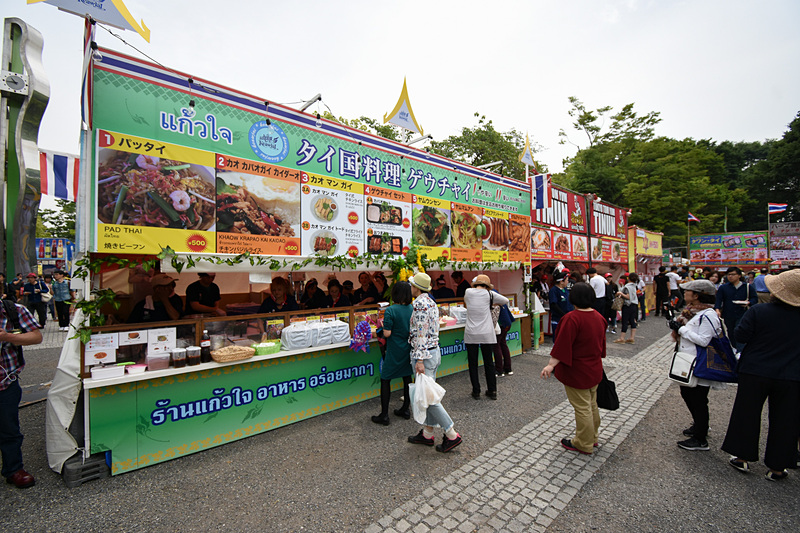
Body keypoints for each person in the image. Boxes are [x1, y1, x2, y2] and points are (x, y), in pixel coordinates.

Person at [722, 269, 800, 480]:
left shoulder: (759, 311)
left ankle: (742, 457)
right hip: (792, 375)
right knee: (786, 419)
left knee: (747, 413)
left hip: (755, 370)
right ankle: (778, 466)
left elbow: (741, 335)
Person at [540, 282, 607, 455]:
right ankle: (592, 437)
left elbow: (562, 345)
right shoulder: (599, 317)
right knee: (592, 404)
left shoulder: (572, 318)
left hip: (577, 370)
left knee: (582, 407)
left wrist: (550, 365)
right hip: (594, 368)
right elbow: (601, 345)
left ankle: (583, 442)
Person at [406, 273, 462, 453]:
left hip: (425, 355)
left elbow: (420, 332)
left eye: (412, 285)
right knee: (427, 394)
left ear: (417, 287)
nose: (411, 287)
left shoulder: (420, 304)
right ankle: (428, 433)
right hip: (433, 352)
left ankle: (451, 433)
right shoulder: (430, 302)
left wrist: (419, 359)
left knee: (429, 398)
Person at [670, 279, 723, 451]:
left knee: (699, 399)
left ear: (697, 295)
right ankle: (698, 426)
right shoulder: (691, 312)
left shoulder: (708, 315)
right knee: (687, 393)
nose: (684, 294)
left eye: (687, 292)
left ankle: (701, 438)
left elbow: (704, 340)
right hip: (688, 361)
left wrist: (681, 329)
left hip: (699, 363)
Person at [1, 296, 44, 488]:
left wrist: (7, 337)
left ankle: (13, 468)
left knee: (9, 428)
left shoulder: (14, 310)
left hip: (5, 382)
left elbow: (36, 336)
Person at [371, 282, 413, 426]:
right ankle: (406, 409)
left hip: (394, 349)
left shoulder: (391, 310)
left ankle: (384, 415)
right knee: (407, 378)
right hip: (408, 348)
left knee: (385, 379)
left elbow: (387, 333)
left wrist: (381, 327)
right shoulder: (412, 308)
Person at [464, 274, 509, 400]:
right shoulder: (490, 294)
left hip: (471, 332)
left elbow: (467, 302)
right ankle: (492, 390)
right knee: (489, 362)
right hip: (486, 333)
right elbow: (505, 300)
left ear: (476, 283)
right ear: (487, 286)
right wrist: (492, 302)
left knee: (473, 363)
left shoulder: (468, 292)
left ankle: (476, 391)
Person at [714, 266, 757, 349]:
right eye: (729, 274)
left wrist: (749, 302)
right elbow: (719, 299)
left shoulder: (747, 286)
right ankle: (735, 347)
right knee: (730, 332)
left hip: (742, 312)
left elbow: (754, 298)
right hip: (728, 313)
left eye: (733, 274)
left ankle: (740, 350)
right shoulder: (723, 287)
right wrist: (717, 309)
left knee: (739, 330)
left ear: (739, 276)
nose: (730, 276)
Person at [492, 287, 516, 377]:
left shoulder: (491, 296)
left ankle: (499, 370)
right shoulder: (498, 295)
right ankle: (508, 368)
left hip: (500, 324)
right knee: (503, 344)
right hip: (506, 323)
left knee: (496, 345)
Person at [614, 273, 639, 344]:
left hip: (627, 305)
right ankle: (632, 338)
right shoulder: (634, 286)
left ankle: (622, 338)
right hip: (634, 305)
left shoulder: (627, 287)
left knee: (625, 321)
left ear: (629, 278)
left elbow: (628, 297)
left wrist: (620, 293)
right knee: (632, 321)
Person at [548, 270, 573, 340]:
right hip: (558, 319)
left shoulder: (565, 290)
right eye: (567, 280)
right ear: (561, 281)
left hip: (568, 318)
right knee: (558, 339)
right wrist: (564, 315)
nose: (568, 282)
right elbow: (553, 305)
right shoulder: (554, 291)